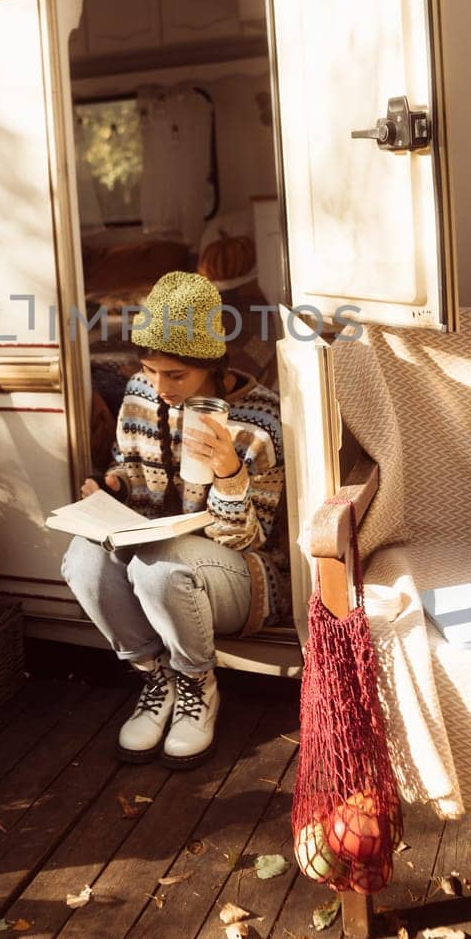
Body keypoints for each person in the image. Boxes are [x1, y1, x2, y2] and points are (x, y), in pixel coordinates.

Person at [61, 270, 288, 768]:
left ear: (212, 363)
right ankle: (155, 677)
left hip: (242, 577)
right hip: (157, 556)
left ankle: (196, 684)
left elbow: (249, 539)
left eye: (175, 376)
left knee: (157, 567)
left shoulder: (258, 421)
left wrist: (229, 472)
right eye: (149, 369)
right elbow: (129, 465)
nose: (158, 387)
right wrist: (115, 486)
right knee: (81, 559)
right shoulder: (142, 394)